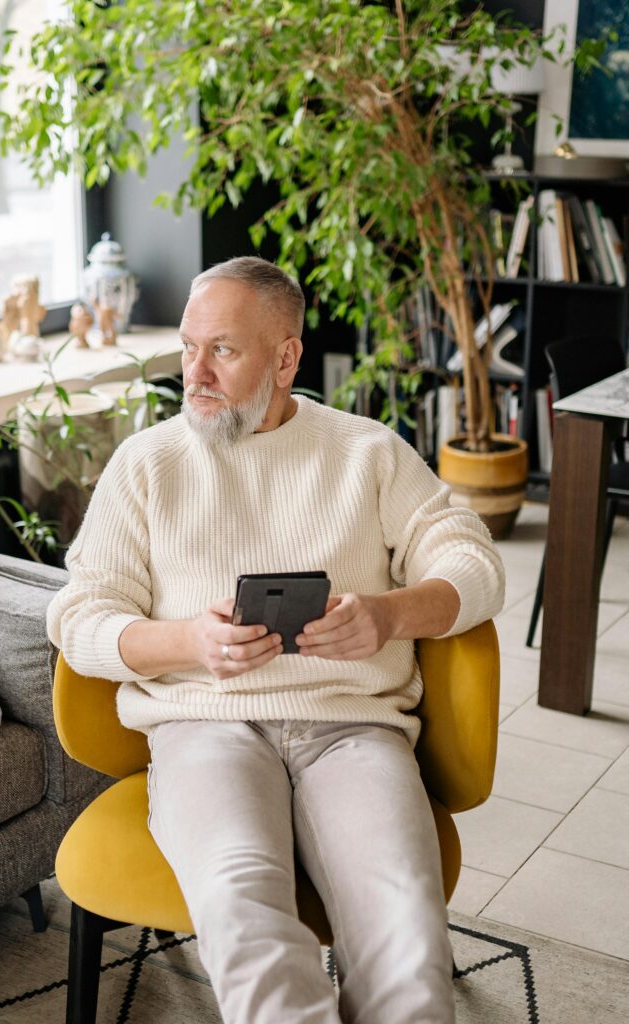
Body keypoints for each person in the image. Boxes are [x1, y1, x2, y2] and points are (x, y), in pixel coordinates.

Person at [46, 256, 505, 1024]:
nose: (195, 370)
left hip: (355, 730)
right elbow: (79, 619)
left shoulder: (368, 452)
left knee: (407, 938)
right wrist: (188, 642)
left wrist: (389, 614)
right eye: (189, 347)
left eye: (221, 349)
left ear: (286, 356)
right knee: (244, 915)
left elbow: (474, 562)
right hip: (205, 729)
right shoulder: (147, 464)